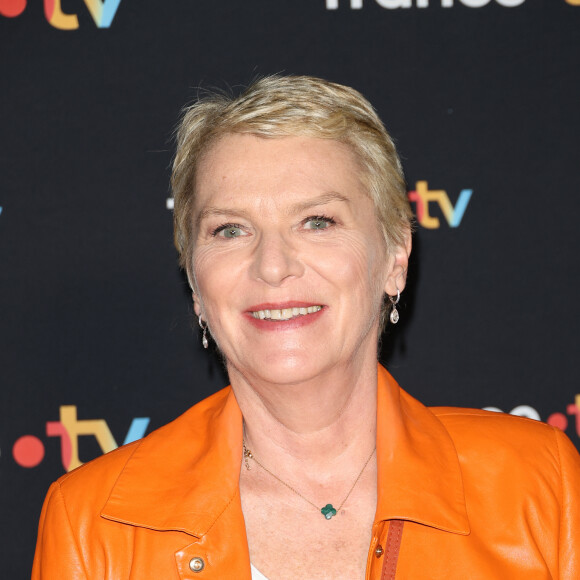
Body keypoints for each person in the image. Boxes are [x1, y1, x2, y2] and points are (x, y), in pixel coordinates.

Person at [32, 75, 580, 580]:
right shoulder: (92, 525)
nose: (273, 266)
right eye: (230, 230)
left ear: (394, 256)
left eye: (317, 221)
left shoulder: (540, 484)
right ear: (196, 283)